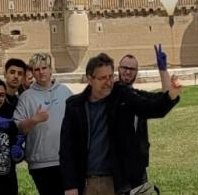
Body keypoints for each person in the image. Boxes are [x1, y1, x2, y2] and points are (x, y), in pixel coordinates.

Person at [60, 52, 182, 195]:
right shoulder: (74, 106)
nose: (109, 82)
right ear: (90, 79)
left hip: (117, 182)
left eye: (111, 76)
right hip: (87, 182)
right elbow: (66, 149)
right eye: (102, 78)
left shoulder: (122, 95)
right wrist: (70, 185)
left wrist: (171, 95)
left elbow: (150, 107)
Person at [114, 46, 174, 190]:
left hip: (137, 165)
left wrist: (163, 69)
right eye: (124, 67)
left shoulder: (135, 95)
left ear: (136, 72)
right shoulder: (112, 94)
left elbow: (163, 100)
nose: (127, 71)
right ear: (118, 68)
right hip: (116, 167)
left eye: (132, 69)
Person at [14, 53, 72, 195]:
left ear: (51, 69)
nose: (41, 72)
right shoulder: (26, 97)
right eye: (37, 69)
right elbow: (19, 128)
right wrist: (34, 120)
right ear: (32, 73)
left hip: (66, 160)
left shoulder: (65, 91)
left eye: (44, 68)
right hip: (41, 164)